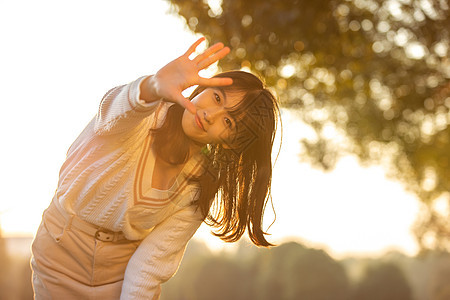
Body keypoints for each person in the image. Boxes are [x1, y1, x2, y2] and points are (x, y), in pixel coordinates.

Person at [30, 37, 280, 299]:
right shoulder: (144, 113)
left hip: (119, 272)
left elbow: (149, 266)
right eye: (217, 98)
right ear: (203, 88)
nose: (211, 115)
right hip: (60, 254)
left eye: (228, 122)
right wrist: (153, 85)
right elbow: (113, 110)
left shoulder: (199, 186)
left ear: (230, 143)